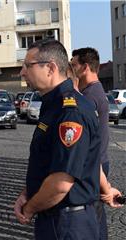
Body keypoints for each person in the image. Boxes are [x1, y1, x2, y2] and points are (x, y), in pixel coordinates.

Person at [13, 39, 101, 239]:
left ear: (51, 68)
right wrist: (27, 193)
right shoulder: (52, 104)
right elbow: (48, 163)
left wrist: (29, 208)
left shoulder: (70, 112)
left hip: (68, 224)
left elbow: (61, 183)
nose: (22, 72)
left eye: (28, 65)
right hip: (56, 218)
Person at [71, 47, 123, 240]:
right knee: (95, 215)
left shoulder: (90, 96)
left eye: (73, 65)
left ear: (85, 67)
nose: (71, 68)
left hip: (95, 164)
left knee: (91, 217)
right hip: (98, 163)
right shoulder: (93, 91)